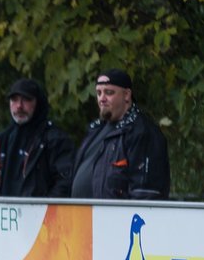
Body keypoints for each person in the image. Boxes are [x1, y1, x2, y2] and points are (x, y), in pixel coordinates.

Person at [71, 68, 170, 200]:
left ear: (126, 95)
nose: (102, 99)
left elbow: (145, 194)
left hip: (114, 219)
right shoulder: (95, 130)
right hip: (79, 217)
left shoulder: (141, 132)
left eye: (109, 92)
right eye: (99, 93)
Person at [0, 78, 75, 197]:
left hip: (39, 214)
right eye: (14, 99)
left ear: (38, 103)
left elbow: (65, 184)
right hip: (1, 213)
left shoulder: (55, 140)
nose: (19, 106)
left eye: (26, 99)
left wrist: (43, 211)